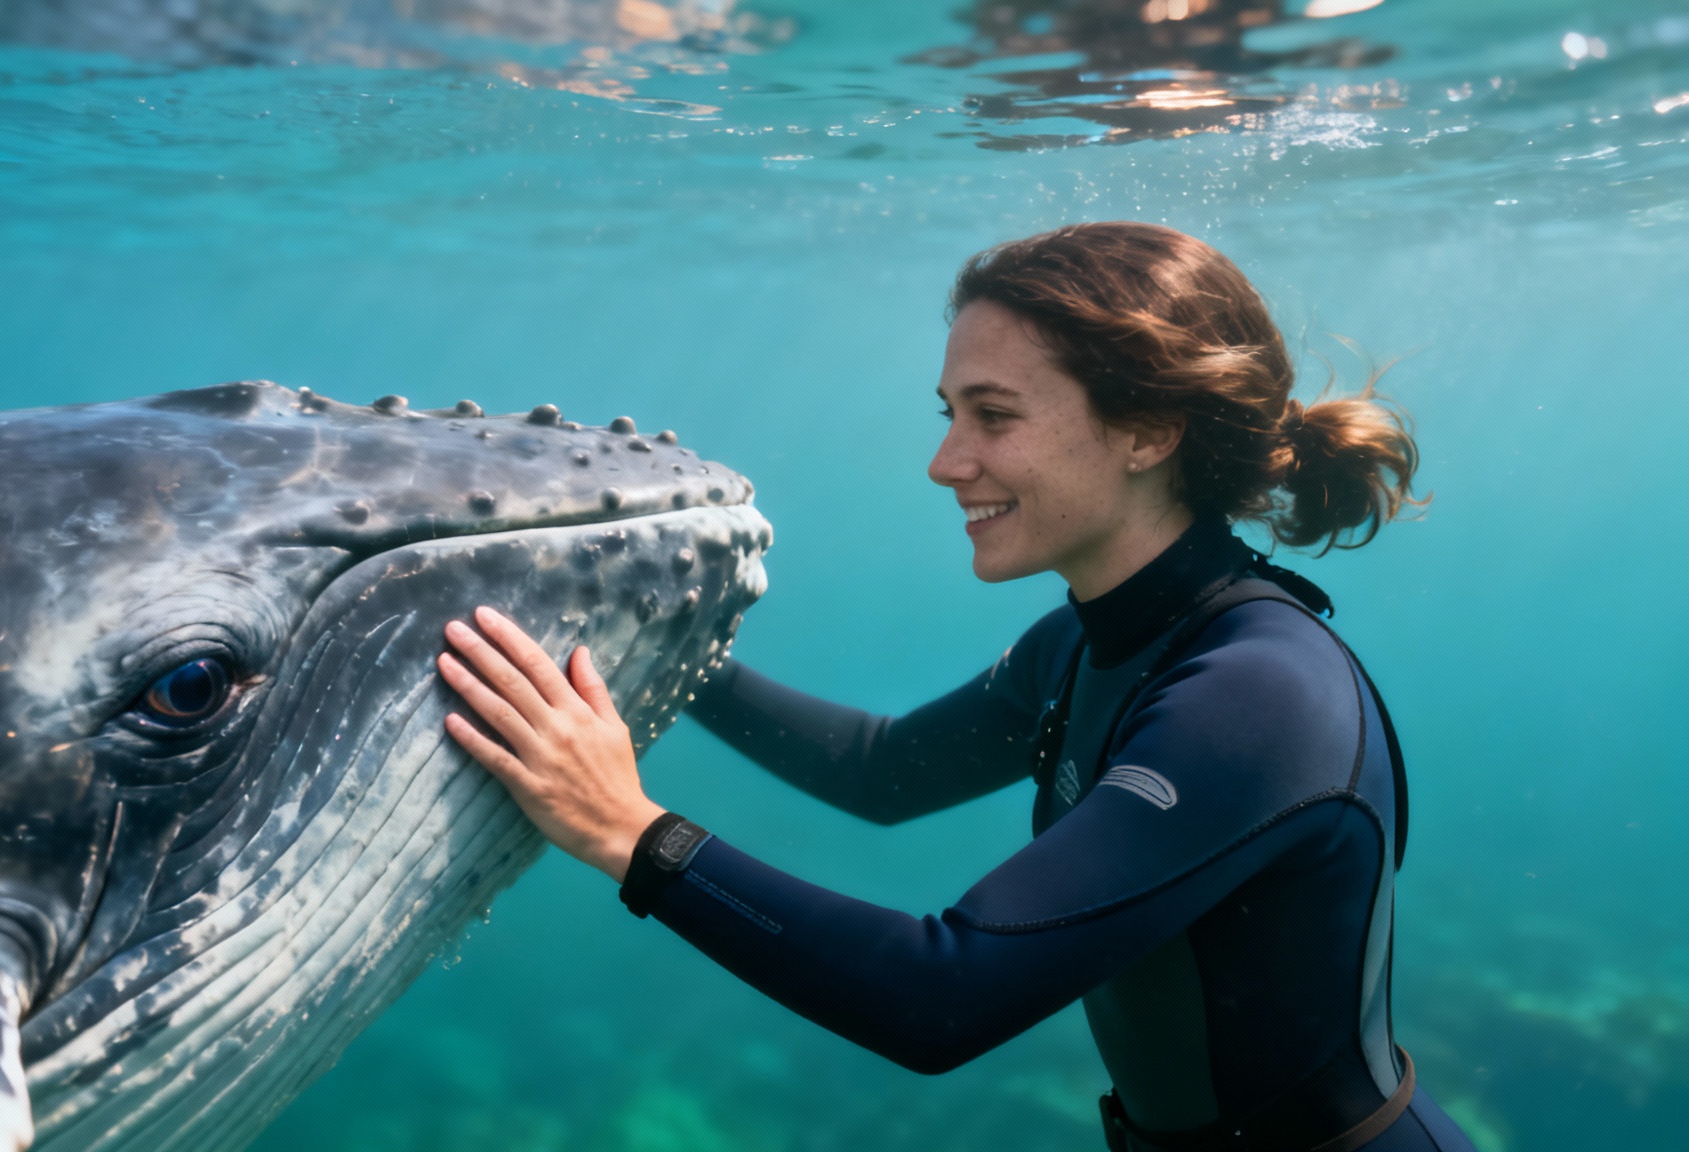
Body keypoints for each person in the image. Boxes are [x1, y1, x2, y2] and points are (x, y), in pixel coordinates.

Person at [434, 222, 1477, 1152]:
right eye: (948, 412)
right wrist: (655, 643)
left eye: (993, 415)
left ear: (1149, 430)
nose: (945, 461)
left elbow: (942, 998)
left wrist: (626, 830)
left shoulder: (1256, 696)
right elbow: (879, 770)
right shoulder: (1081, 645)